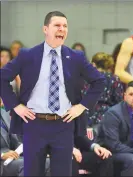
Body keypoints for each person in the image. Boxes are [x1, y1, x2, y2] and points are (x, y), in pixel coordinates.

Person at [0, 11, 105, 176]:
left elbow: (99, 81)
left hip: (63, 124)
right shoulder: (28, 55)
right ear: (45, 29)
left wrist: (82, 106)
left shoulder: (76, 57)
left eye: (65, 26)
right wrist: (15, 106)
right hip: (34, 123)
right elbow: (2, 78)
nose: (62, 29)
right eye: (57, 25)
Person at [81, 52, 124, 127]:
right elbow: (119, 101)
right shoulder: (114, 79)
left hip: (86, 116)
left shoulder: (86, 77)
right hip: (107, 117)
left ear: (93, 64)